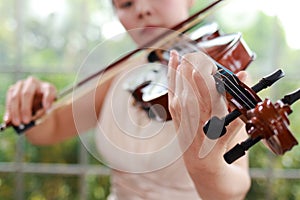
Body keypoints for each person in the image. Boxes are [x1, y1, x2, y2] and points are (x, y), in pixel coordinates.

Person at [3, 0, 251, 199]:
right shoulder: (122, 73)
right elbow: (51, 129)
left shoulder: (215, 76)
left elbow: (236, 189)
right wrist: (31, 106)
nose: (142, 9)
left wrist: (206, 167)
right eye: (126, 4)